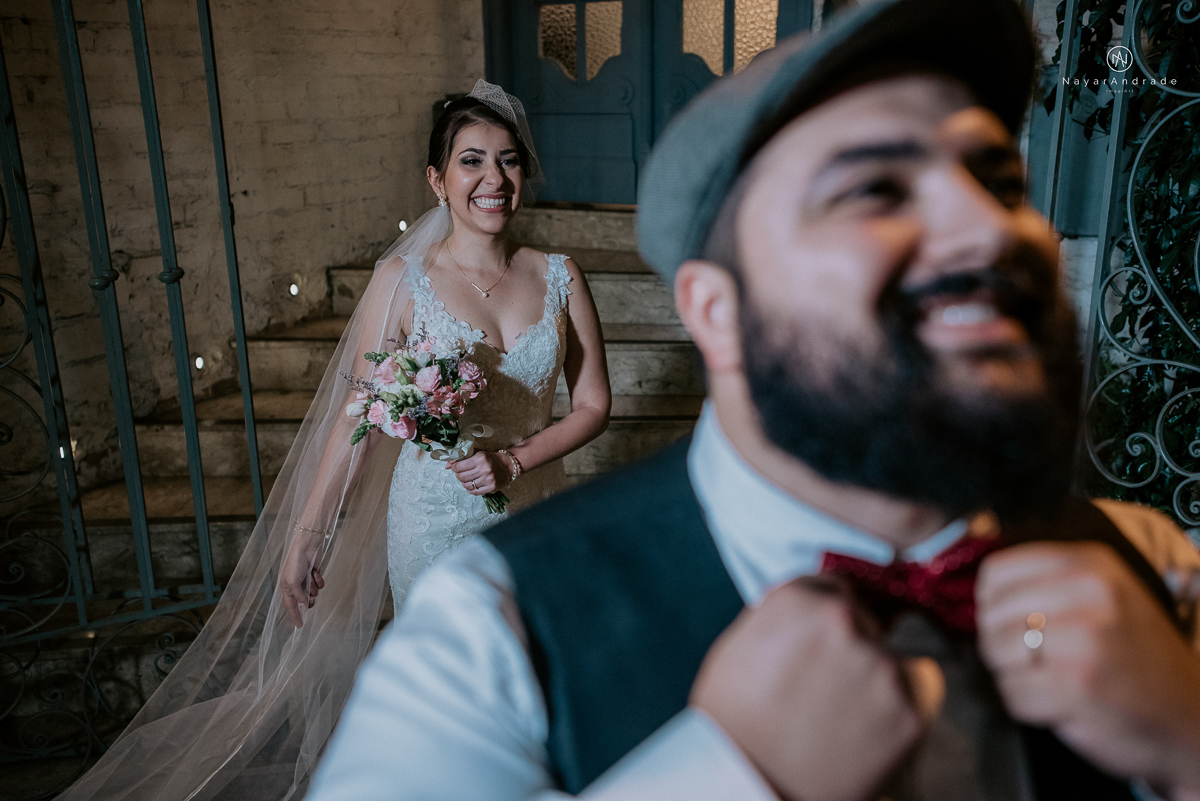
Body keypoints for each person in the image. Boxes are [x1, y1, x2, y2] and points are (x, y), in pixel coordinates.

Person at [305, 1, 1200, 800]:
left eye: (1000, 181)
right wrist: (730, 773)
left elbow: (589, 402)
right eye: (873, 189)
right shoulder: (491, 643)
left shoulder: (1155, 574)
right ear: (715, 309)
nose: (992, 230)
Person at [56, 81, 610, 801]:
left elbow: (594, 401)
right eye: (472, 161)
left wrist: (517, 457)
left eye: (508, 161)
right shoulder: (402, 281)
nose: (493, 179)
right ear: (437, 181)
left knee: (536, 675)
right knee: (452, 691)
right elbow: (363, 409)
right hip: (435, 524)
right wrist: (309, 531)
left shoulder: (561, 274)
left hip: (535, 512)